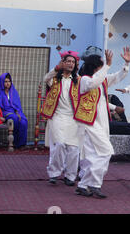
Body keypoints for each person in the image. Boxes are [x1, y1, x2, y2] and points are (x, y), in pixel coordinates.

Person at [74, 46, 130, 198]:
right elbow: (94, 83)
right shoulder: (85, 80)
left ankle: (87, 185)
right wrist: (108, 65)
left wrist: (126, 64)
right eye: (101, 64)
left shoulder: (102, 80)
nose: (103, 68)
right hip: (88, 123)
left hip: (101, 123)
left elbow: (118, 77)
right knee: (104, 153)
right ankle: (92, 184)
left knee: (95, 156)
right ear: (95, 66)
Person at [42, 50, 82, 186]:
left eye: (73, 62)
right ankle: (53, 173)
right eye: (68, 61)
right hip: (57, 116)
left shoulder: (79, 81)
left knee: (73, 149)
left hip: (73, 118)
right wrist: (55, 69)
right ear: (63, 63)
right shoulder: (54, 79)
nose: (71, 64)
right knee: (59, 144)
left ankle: (70, 176)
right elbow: (45, 78)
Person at [0, 73, 28, 148]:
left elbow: (17, 105)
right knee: (14, 118)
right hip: (4, 112)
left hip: (15, 111)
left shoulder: (14, 91)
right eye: (5, 81)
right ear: (2, 82)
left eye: (9, 81)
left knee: (23, 121)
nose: (7, 83)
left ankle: (21, 144)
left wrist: (18, 113)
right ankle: (14, 142)